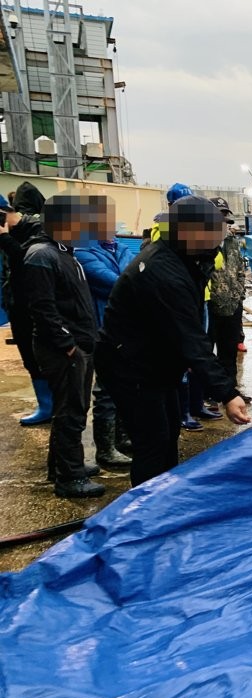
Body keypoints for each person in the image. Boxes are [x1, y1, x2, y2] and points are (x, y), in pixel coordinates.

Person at [96, 196, 250, 487]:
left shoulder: (188, 257)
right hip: (132, 367)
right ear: (187, 231)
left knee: (168, 435)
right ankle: (146, 513)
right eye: (212, 230)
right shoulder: (161, 270)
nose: (219, 236)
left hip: (157, 363)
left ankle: (165, 494)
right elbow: (190, 337)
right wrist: (227, 394)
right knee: (153, 443)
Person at [22, 195, 105, 498]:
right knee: (70, 411)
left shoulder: (66, 254)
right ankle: (69, 478)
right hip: (63, 350)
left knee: (75, 408)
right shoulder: (41, 255)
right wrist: (67, 344)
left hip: (79, 345)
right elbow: (42, 308)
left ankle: (62, 465)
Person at [73, 196, 135, 468]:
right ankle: (105, 449)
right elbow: (115, 281)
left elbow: (134, 275)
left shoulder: (121, 248)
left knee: (126, 384)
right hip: (100, 329)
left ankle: (123, 438)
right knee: (106, 389)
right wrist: (129, 279)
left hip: (125, 328)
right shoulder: (83, 251)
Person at [0, 182, 50, 424]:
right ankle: (45, 405)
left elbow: (26, 261)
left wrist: (4, 239)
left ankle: (58, 405)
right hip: (17, 305)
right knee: (29, 357)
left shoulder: (37, 228)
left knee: (47, 356)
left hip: (39, 304)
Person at [207, 197, 247, 387]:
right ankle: (208, 394)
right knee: (206, 352)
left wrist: (239, 295)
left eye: (225, 219)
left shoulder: (232, 242)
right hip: (209, 308)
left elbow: (240, 270)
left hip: (232, 307)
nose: (222, 224)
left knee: (229, 353)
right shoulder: (201, 243)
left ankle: (230, 390)